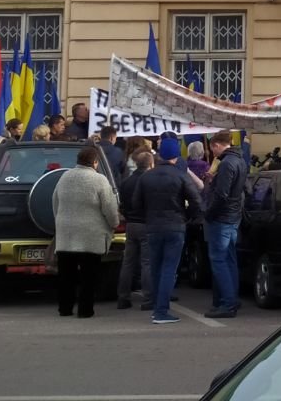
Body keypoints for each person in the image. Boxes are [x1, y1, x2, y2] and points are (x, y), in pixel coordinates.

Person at [134, 137, 202, 324]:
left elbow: (136, 204)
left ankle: (157, 308)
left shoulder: (146, 176)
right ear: (176, 156)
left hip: (153, 226)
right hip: (175, 226)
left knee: (155, 268)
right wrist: (186, 216)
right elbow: (196, 200)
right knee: (169, 269)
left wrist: (147, 216)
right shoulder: (180, 175)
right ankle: (161, 311)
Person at [51, 145, 120, 319]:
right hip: (91, 235)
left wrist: (60, 221)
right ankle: (85, 310)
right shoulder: (99, 180)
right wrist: (114, 223)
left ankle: (64, 308)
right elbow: (109, 207)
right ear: (95, 162)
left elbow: (55, 201)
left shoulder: (64, 176)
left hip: (66, 233)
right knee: (89, 276)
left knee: (66, 275)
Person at [202, 130, 246, 318]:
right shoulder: (240, 161)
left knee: (219, 260)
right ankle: (231, 299)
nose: (213, 154)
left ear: (217, 145)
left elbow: (222, 195)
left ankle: (227, 303)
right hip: (233, 216)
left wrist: (209, 213)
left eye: (213, 149)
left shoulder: (227, 163)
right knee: (229, 259)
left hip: (222, 218)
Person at [116, 149, 153, 310]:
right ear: (151, 164)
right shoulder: (149, 181)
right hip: (146, 223)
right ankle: (148, 298)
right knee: (146, 262)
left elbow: (122, 203)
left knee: (128, 262)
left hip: (131, 224)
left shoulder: (126, 182)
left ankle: (123, 297)